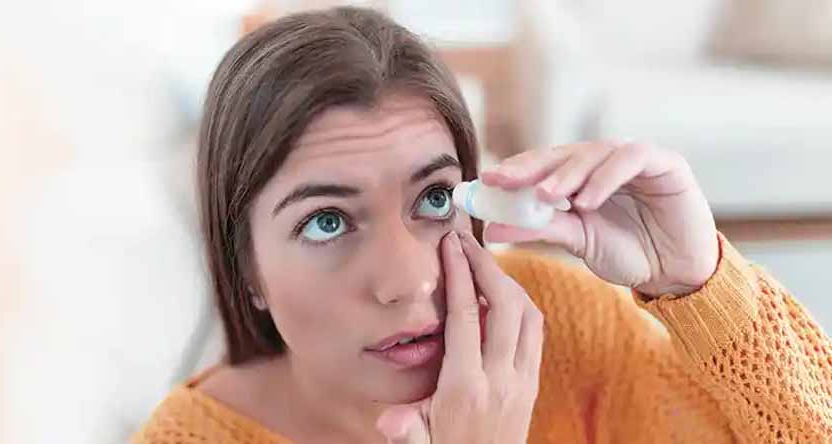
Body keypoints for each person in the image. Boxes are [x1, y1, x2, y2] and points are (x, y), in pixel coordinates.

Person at [133, 6, 832, 444]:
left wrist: (701, 283)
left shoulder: (558, 324)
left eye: (435, 198)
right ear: (245, 267)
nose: (410, 283)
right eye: (326, 221)